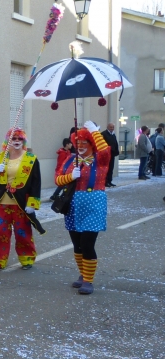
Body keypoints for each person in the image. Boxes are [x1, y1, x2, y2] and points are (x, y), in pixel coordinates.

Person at [55, 122, 111, 295]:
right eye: (77, 143)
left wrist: (94, 131)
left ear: (91, 143)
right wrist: (70, 177)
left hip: (93, 202)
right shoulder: (71, 159)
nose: (79, 147)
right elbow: (57, 179)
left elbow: (105, 151)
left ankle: (88, 280)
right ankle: (83, 273)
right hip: (72, 204)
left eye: (83, 143)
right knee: (77, 244)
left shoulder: (100, 159)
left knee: (87, 243)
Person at [0, 128, 44, 270]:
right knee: (1, 234)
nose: (17, 141)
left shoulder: (31, 158)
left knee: (22, 232)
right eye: (14, 139)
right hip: (2, 203)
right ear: (8, 141)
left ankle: (27, 259)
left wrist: (32, 203)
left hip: (21, 203)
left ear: (24, 141)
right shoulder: (0, 157)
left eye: (20, 139)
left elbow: (36, 182)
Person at [101, 123, 119, 187]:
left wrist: (116, 151)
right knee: (106, 168)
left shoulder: (113, 134)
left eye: (113, 127)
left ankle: (109, 181)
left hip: (112, 154)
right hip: (106, 154)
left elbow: (115, 143)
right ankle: (105, 181)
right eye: (111, 127)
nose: (112, 128)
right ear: (108, 127)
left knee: (111, 168)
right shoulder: (103, 134)